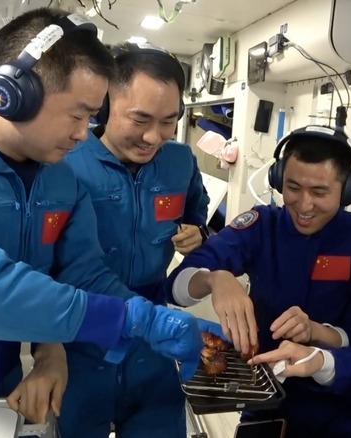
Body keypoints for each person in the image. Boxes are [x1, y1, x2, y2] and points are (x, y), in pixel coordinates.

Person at [0, 7, 201, 425]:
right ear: (12, 93)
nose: (84, 133)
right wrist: (126, 317)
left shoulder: (60, 182)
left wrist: (153, 319)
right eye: (77, 115)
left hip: (3, 387)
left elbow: (83, 274)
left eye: (92, 118)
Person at [164, 125, 351, 438]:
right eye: (293, 188)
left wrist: (317, 334)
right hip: (263, 411)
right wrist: (215, 279)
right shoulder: (261, 225)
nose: (304, 205)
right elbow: (178, 286)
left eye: (319, 192)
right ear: (276, 180)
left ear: (349, 190)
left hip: (339, 417)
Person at [59, 43, 209, 438]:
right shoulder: (65, 160)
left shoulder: (180, 161)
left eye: (168, 121)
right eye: (140, 119)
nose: (152, 136)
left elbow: (198, 208)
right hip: (81, 332)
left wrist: (198, 230)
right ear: (104, 106)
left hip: (155, 338)